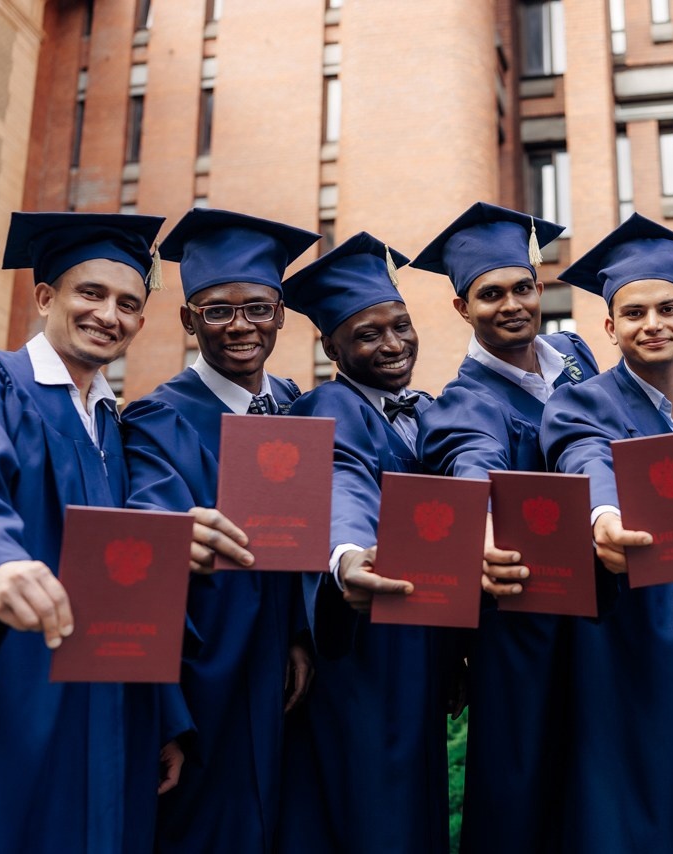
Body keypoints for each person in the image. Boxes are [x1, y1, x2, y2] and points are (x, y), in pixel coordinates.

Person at [0, 212, 193, 852]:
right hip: (12, 688)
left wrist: (161, 715)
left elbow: (132, 582)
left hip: (110, 702)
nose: (110, 315)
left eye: (129, 304)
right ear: (46, 296)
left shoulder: (118, 427)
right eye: (91, 293)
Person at [540, 213, 673, 854]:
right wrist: (603, 517)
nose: (652, 323)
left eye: (668, 307)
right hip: (632, 628)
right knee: (643, 799)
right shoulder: (583, 403)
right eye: (633, 313)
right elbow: (584, 458)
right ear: (609, 327)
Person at [120, 208, 319, 853]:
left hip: (286, 679)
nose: (242, 326)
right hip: (208, 674)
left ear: (282, 313)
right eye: (218, 311)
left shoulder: (297, 407)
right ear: (187, 320)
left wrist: (295, 632)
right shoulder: (158, 419)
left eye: (259, 308)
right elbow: (150, 528)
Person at [413, 202, 597, 854]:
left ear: (540, 285)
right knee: (526, 793)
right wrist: (481, 525)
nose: (512, 304)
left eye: (523, 287)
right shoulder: (464, 401)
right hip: (526, 629)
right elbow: (472, 463)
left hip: (602, 620)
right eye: (490, 295)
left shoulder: (575, 356)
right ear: (462, 306)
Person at [277, 231, 451, 853]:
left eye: (400, 325)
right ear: (332, 347)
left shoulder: (427, 410)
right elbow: (338, 479)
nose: (394, 344)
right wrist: (348, 553)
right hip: (364, 648)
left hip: (420, 647)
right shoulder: (326, 407)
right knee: (367, 813)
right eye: (369, 334)